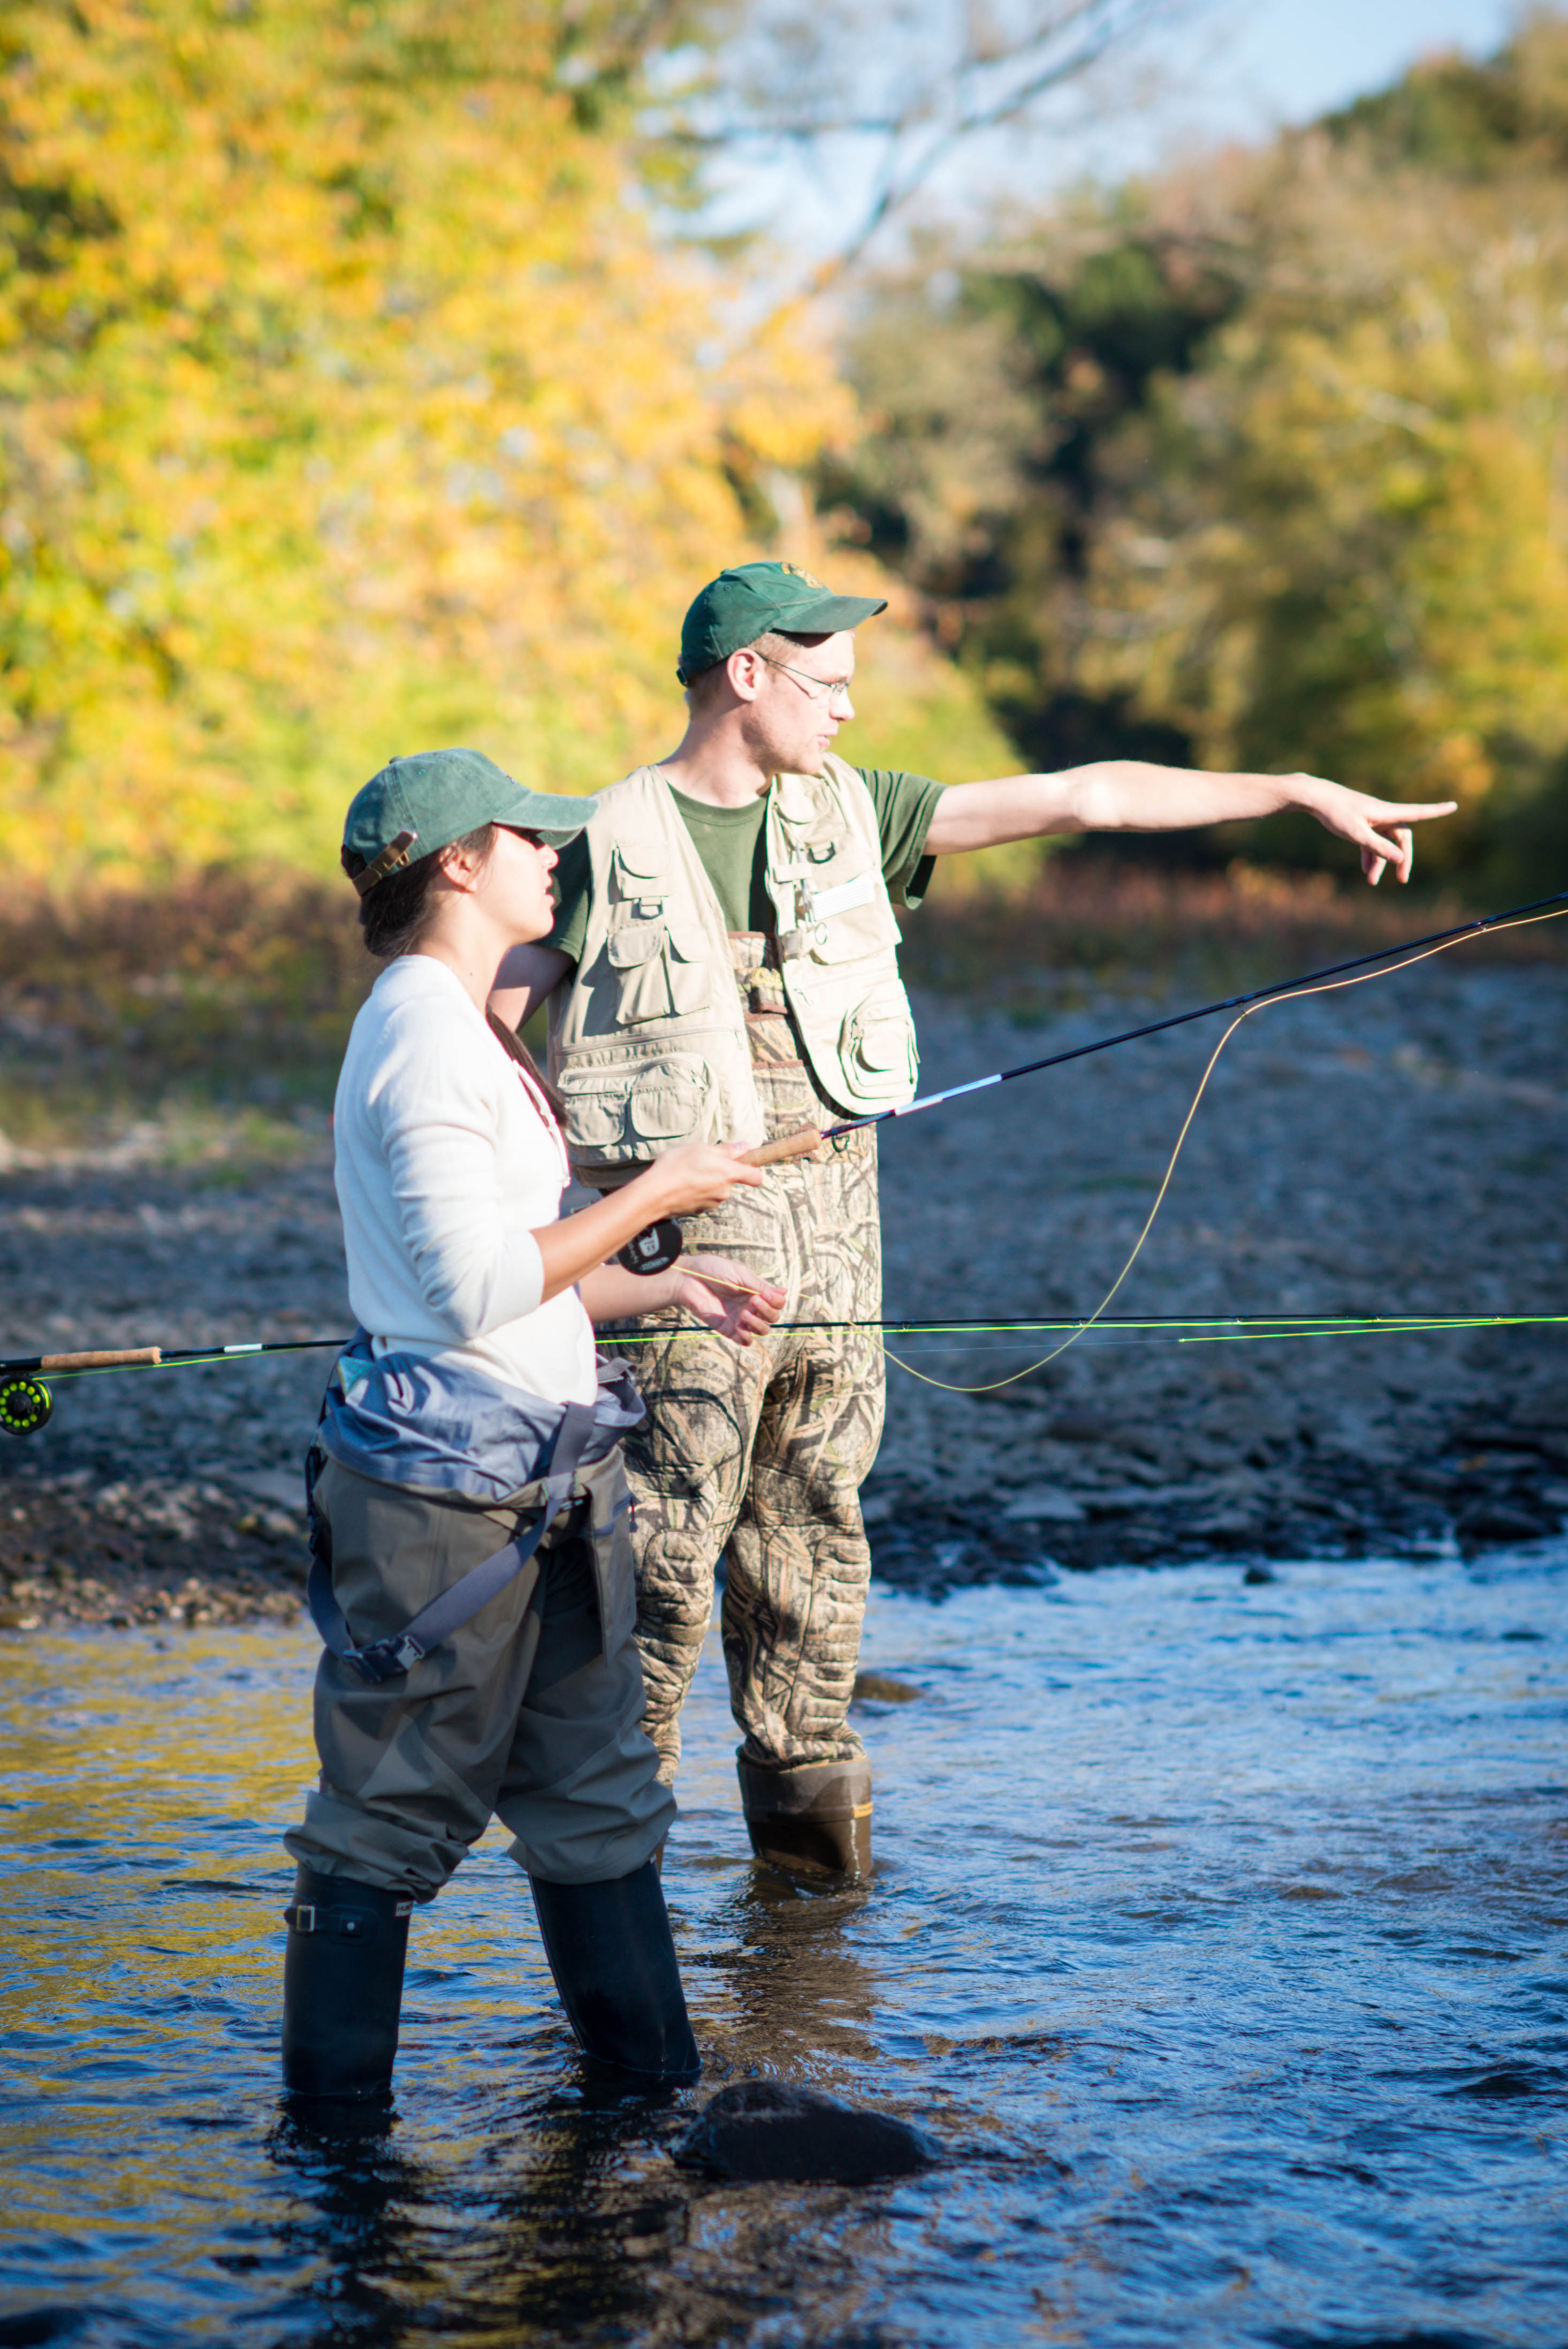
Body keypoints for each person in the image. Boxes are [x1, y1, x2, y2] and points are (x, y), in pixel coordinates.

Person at [489, 560, 1458, 1879]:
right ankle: (610, 1895)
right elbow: (487, 1010)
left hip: (843, 1255)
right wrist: (516, 1204)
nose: (843, 712)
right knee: (664, 1552)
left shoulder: (862, 813)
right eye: (823, 686)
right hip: (679, 1270)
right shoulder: (599, 843)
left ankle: (810, 1905)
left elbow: (1087, 795)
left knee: (814, 1535)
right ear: (745, 676)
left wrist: (1293, 789)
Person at [280, 746, 781, 2106]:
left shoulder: (465, 1021)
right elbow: (472, 1285)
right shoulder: (423, 1034)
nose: (554, 853)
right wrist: (661, 1185)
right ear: (456, 862)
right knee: (385, 1818)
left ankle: (651, 2103)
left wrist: (661, 1276)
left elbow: (519, 1269)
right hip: (444, 1503)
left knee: (596, 1791)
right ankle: (338, 2171)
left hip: (549, 1474)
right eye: (530, 836)